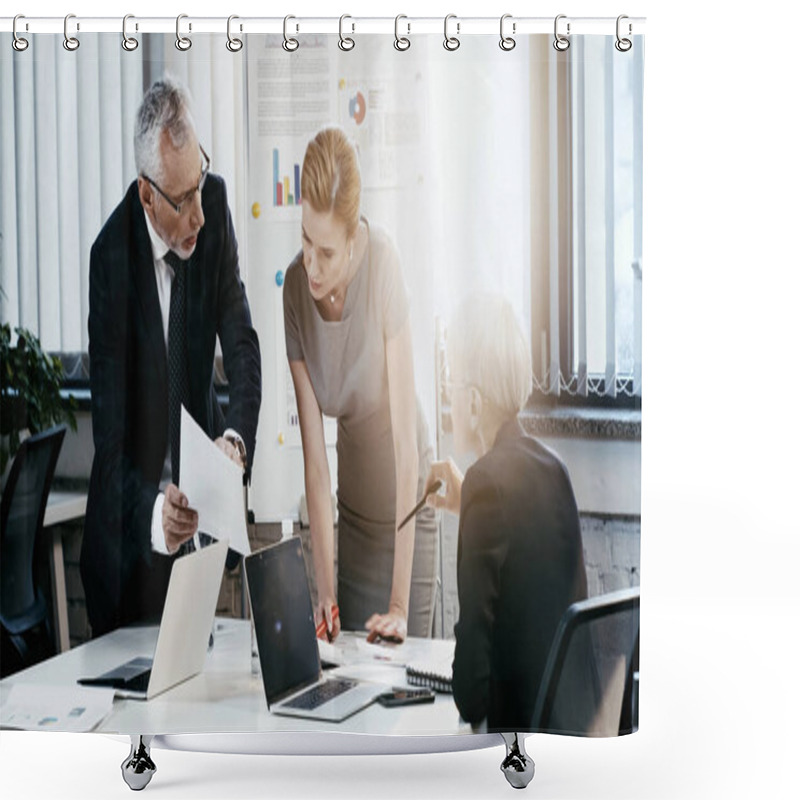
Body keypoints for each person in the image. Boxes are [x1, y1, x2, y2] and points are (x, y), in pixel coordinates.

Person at [81, 78, 262, 637]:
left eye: (200, 181)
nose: (199, 217)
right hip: (132, 546)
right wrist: (157, 514)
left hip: (203, 535)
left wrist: (234, 440)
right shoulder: (111, 260)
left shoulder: (212, 207)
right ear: (147, 195)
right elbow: (110, 443)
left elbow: (241, 342)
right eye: (183, 202)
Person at [283, 127, 437, 643]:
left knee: (403, 683)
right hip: (351, 513)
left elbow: (406, 450)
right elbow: (315, 463)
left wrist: (398, 602)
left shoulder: (384, 266)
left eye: (327, 251)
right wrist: (324, 590)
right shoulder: (295, 296)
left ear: (355, 241)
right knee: (347, 670)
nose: (312, 263)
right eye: (306, 240)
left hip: (405, 509)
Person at [423, 293, 588, 732]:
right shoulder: (556, 470)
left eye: (451, 387)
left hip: (512, 754)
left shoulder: (486, 484)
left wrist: (475, 504)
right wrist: (469, 508)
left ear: (474, 404)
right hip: (565, 736)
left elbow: (471, 696)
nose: (449, 404)